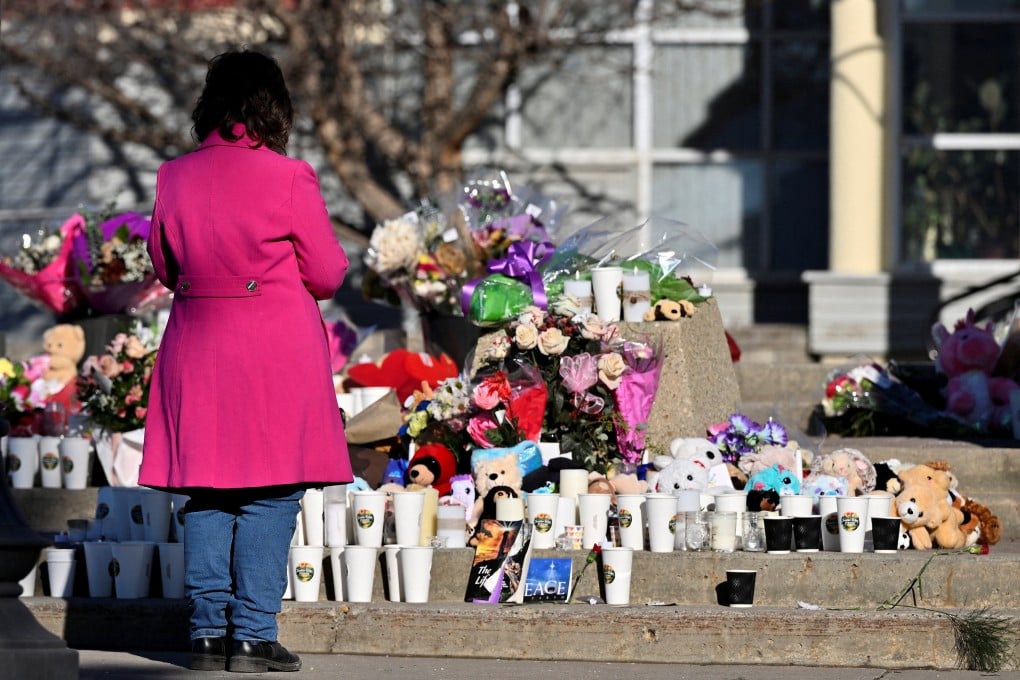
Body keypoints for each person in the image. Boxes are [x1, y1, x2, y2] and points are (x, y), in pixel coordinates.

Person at [139, 49, 352, 674]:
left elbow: (165, 265)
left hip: (198, 345)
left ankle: (207, 635)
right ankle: (254, 636)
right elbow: (329, 273)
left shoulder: (172, 177)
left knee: (205, 490)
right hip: (273, 351)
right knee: (270, 490)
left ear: (211, 103)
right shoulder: (290, 177)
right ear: (273, 106)